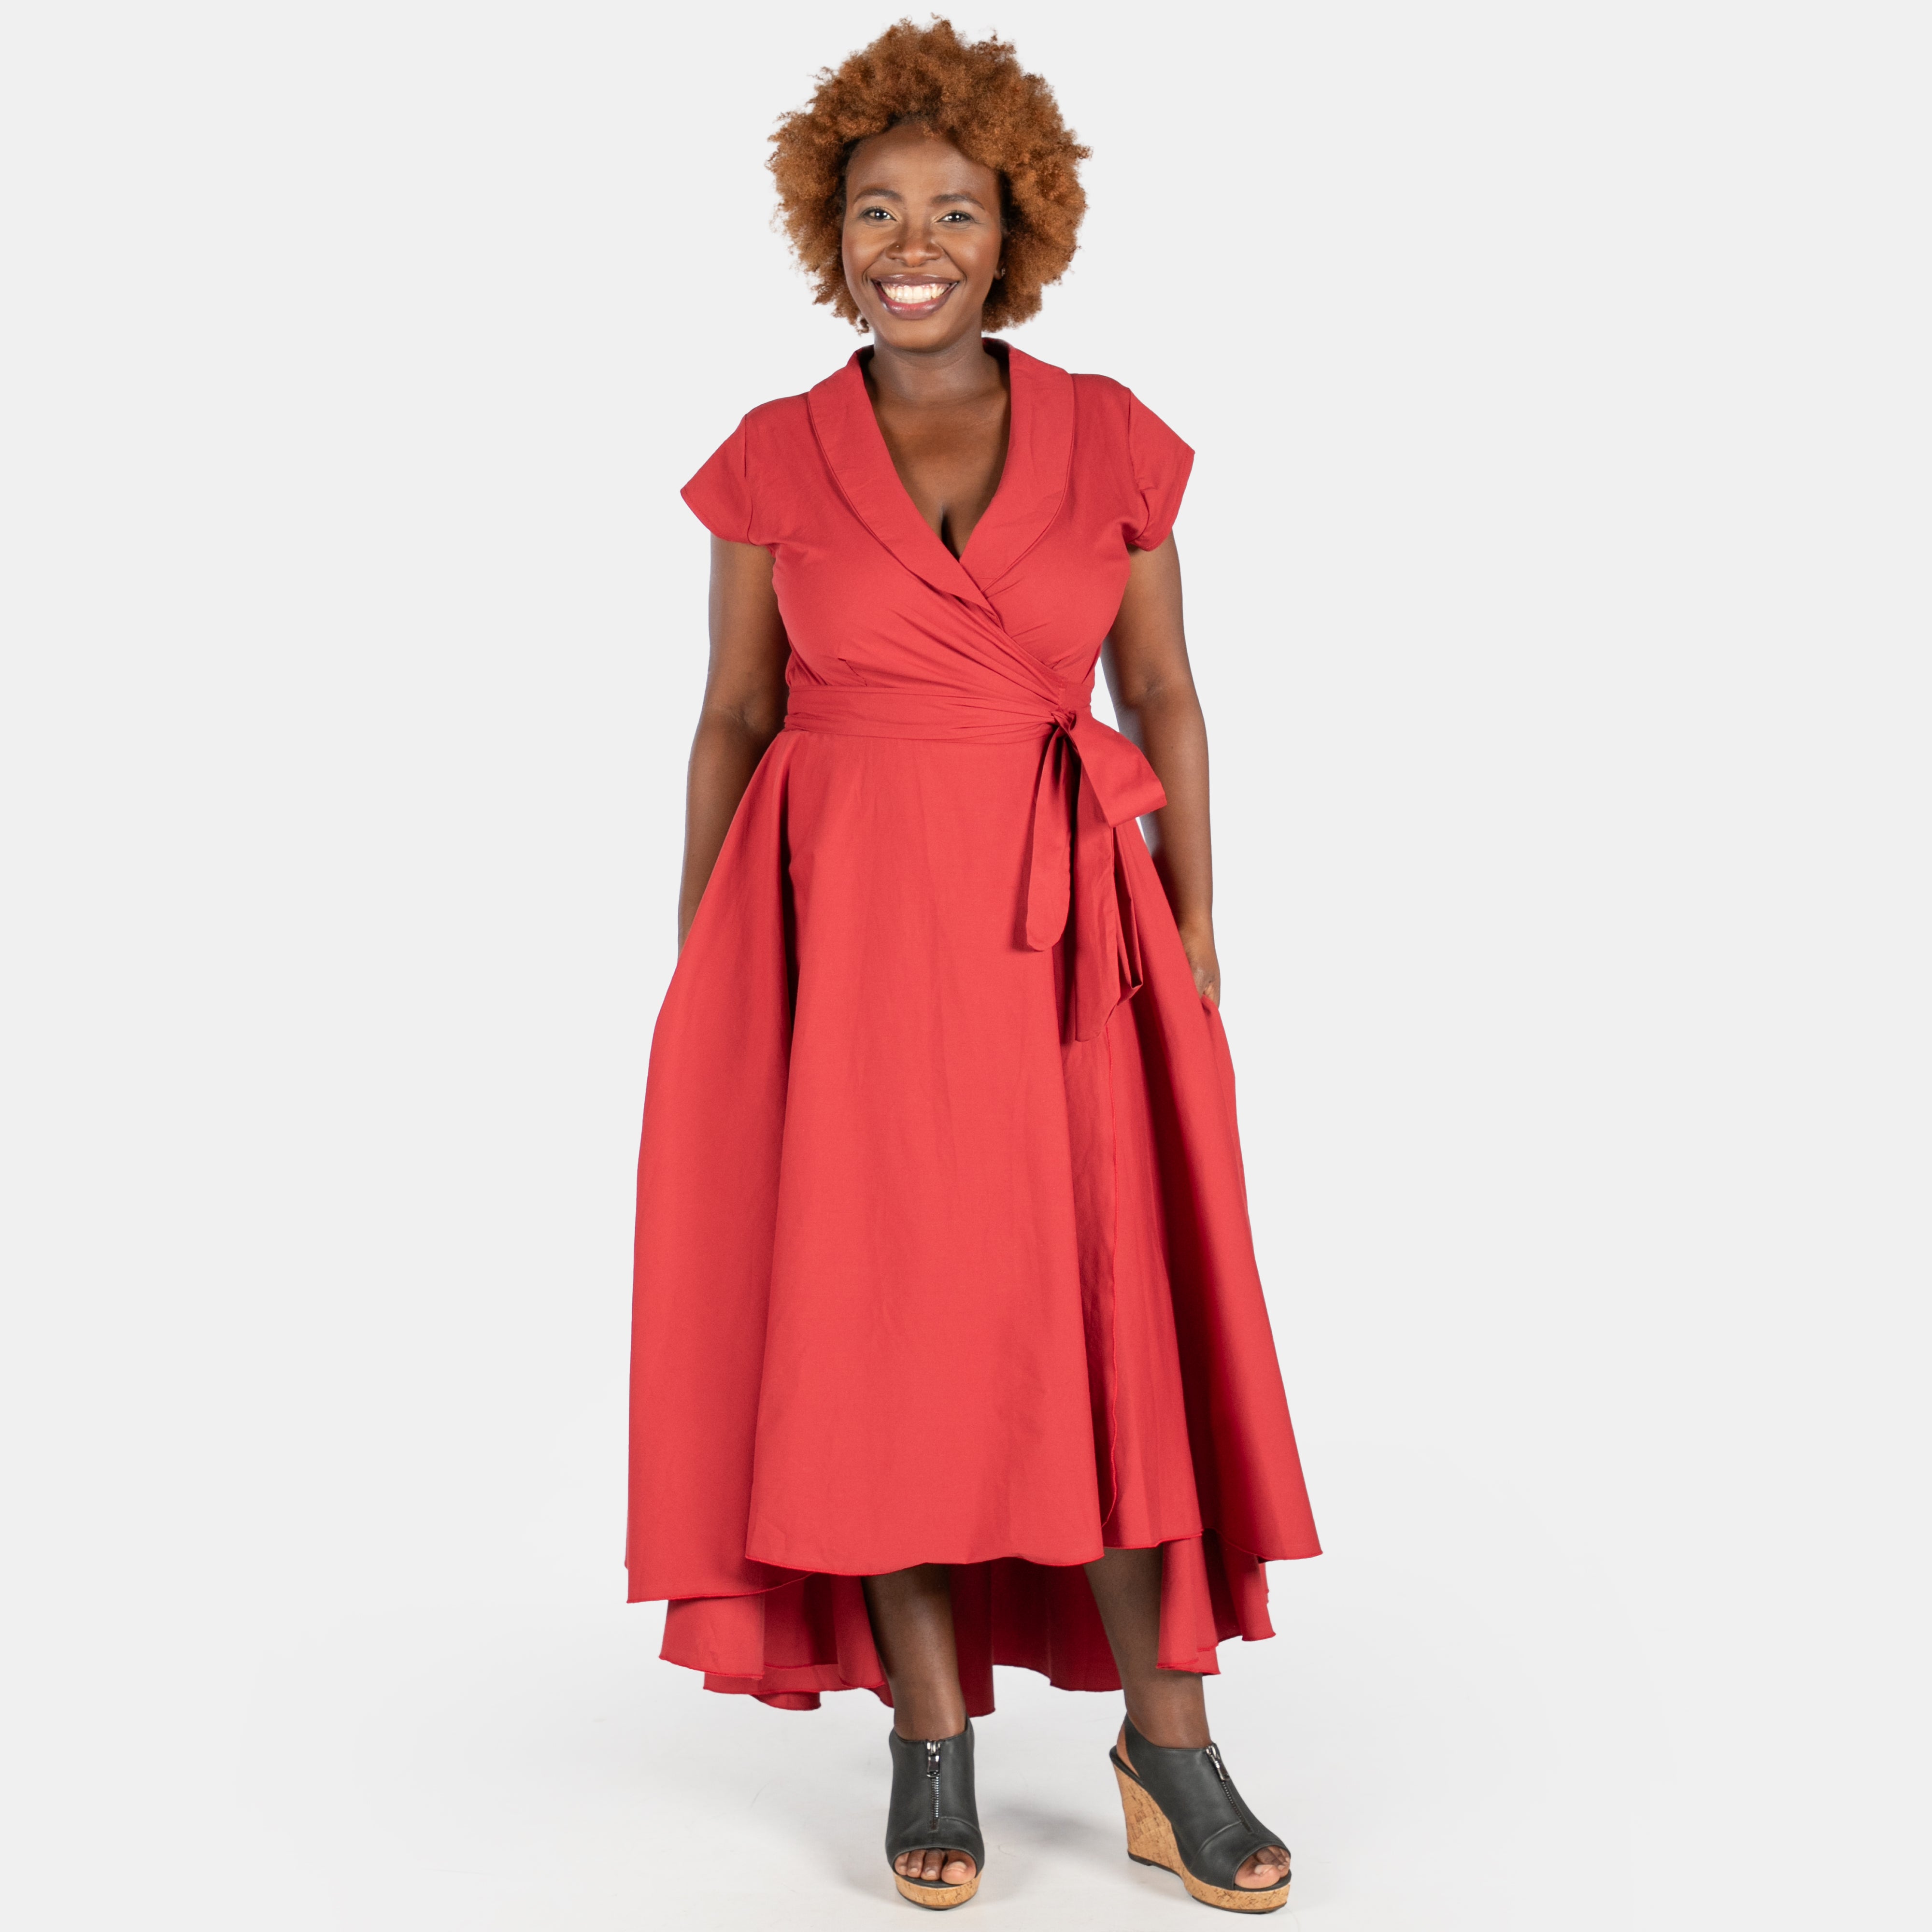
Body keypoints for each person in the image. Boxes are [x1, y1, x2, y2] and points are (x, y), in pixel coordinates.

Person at [626, 19, 1319, 1913]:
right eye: (875, 210)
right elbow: (735, 712)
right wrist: (707, 961)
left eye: (952, 209)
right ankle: (926, 1736)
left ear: (1016, 230)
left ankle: (1169, 1742)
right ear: (826, 230)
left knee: (1100, 1324)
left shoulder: (1110, 433)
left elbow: (1163, 691)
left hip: (1067, 938)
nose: (910, 243)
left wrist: (1194, 923)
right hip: (837, 939)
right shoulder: (773, 455)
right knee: (875, 1322)